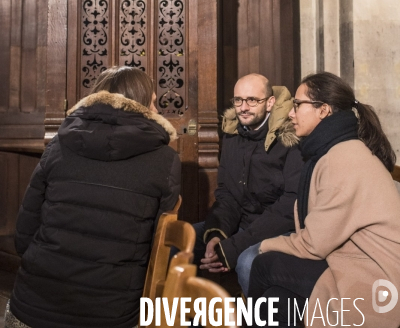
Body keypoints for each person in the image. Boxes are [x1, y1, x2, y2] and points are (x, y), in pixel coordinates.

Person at [6, 66, 181, 328]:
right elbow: (158, 254)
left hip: (33, 307)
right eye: (153, 103)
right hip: (109, 313)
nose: (157, 111)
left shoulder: (59, 143)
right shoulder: (165, 159)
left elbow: (24, 233)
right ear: (141, 104)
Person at [248, 71, 400, 328]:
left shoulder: (343, 158)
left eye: (297, 104)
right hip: (350, 263)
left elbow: (314, 244)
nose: (290, 113)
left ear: (323, 110)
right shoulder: (333, 150)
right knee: (276, 301)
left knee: (262, 262)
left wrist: (263, 245)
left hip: (377, 278)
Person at [196, 73, 304, 296]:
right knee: (185, 241)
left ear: (270, 103)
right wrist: (218, 233)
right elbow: (227, 194)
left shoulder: (291, 137)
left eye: (252, 100)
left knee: (248, 262)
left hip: (279, 230)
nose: (243, 107)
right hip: (240, 224)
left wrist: (236, 245)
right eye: (238, 100)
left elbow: (289, 205)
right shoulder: (233, 134)